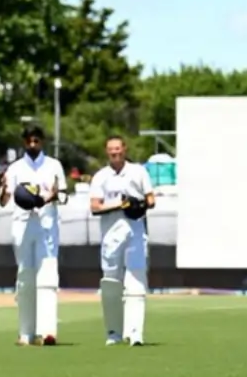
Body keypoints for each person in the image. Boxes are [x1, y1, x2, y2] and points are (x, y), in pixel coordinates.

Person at [0, 125, 66, 346]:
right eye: (29, 141)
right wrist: (3, 190)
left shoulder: (54, 166)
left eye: (36, 141)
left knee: (47, 276)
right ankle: (25, 332)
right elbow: (4, 201)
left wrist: (51, 197)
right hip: (22, 226)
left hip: (47, 225)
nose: (33, 145)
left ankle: (47, 331)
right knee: (25, 277)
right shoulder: (15, 168)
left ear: (42, 142)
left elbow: (63, 196)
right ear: (24, 143)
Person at [90, 134, 155, 347]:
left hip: (135, 231)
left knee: (136, 280)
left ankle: (135, 332)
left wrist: (138, 205)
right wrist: (120, 205)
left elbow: (151, 200)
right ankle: (113, 332)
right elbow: (95, 206)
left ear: (124, 149)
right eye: (111, 149)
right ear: (107, 151)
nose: (115, 152)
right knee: (111, 283)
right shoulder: (101, 176)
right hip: (111, 236)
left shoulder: (138, 171)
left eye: (118, 148)